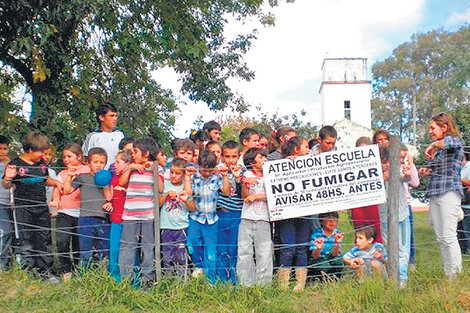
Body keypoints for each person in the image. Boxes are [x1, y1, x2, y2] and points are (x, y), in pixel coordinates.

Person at [2, 132, 62, 280]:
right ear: (30, 150)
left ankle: (45, 272)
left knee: (44, 239)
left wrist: (56, 182)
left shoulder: (41, 165)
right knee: (26, 240)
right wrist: (8, 177)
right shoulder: (15, 164)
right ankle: (29, 273)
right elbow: (6, 184)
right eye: (41, 151)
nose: (43, 155)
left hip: (41, 207)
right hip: (24, 209)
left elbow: (44, 179)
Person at [419, 113, 464, 279]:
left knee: (449, 236)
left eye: (433, 128)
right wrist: (426, 171)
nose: (430, 131)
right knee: (440, 238)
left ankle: (456, 276)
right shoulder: (438, 150)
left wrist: (433, 145)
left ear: (444, 127)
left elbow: (452, 143)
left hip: (449, 192)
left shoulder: (455, 141)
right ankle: (448, 275)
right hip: (435, 193)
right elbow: (437, 170)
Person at [184, 149, 230, 284]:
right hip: (196, 217)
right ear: (199, 166)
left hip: (211, 219)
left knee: (211, 252)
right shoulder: (194, 176)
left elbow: (226, 192)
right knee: (192, 243)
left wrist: (225, 176)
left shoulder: (217, 177)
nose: (207, 173)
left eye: (209, 170)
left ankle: (210, 281)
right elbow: (188, 193)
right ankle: (199, 266)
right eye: (204, 170)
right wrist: (187, 178)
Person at [63, 147, 112, 268]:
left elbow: (109, 197)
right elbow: (67, 191)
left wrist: (105, 184)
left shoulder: (106, 177)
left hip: (102, 219)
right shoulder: (82, 177)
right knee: (85, 249)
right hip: (85, 218)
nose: (99, 165)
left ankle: (101, 274)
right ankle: (85, 274)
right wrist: (69, 176)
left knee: (103, 249)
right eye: (95, 162)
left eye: (102, 162)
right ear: (89, 163)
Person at [118, 138, 158, 286]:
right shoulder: (131, 167)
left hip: (148, 215)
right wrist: (130, 168)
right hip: (130, 215)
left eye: (135, 152)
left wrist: (154, 169)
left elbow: (159, 189)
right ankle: (125, 280)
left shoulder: (154, 168)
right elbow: (121, 182)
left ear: (146, 153)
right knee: (127, 247)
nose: (133, 155)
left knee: (148, 248)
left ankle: (148, 279)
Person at [50, 143, 90, 281]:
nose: (66, 160)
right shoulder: (62, 173)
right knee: (62, 242)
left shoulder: (87, 170)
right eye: (64, 157)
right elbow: (57, 190)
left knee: (79, 243)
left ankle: (80, 271)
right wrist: (55, 200)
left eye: (69, 156)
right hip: (65, 212)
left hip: (82, 212)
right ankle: (65, 271)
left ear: (79, 156)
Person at [277, 136, 311, 292]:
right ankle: (283, 284)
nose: (308, 150)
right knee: (288, 247)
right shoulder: (281, 164)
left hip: (306, 212)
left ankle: (300, 284)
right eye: (306, 147)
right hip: (287, 214)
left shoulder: (314, 163)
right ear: (297, 149)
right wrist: (286, 164)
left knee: (302, 247)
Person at [237, 147, 273, 286]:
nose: (264, 160)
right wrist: (246, 185)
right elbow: (244, 196)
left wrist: (256, 196)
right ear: (252, 162)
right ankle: (246, 285)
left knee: (264, 252)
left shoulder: (270, 175)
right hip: (246, 217)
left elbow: (273, 195)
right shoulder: (246, 174)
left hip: (264, 218)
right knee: (244, 251)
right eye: (261, 157)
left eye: (265, 157)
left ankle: (263, 286)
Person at [379, 147, 411, 286]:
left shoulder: (397, 170)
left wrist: (407, 173)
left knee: (403, 248)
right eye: (383, 162)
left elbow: (407, 178)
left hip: (402, 214)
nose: (386, 165)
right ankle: (392, 276)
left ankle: (402, 279)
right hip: (384, 218)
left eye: (388, 162)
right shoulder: (372, 175)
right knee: (389, 247)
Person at [216, 140, 244, 283]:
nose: (231, 160)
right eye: (227, 156)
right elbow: (223, 192)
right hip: (221, 214)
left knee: (235, 248)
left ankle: (235, 280)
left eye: (234, 156)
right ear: (222, 156)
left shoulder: (243, 171)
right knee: (221, 248)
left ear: (239, 156)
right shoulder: (218, 171)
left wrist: (238, 177)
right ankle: (222, 280)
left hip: (238, 214)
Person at [159, 158, 191, 276]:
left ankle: (182, 280)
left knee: (180, 255)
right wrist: (166, 194)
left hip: (181, 226)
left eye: (177, 173)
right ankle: (168, 279)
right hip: (166, 226)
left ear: (183, 174)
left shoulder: (186, 187)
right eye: (172, 172)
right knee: (167, 255)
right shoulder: (165, 185)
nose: (174, 176)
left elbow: (192, 205)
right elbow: (158, 203)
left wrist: (185, 199)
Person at [350, 136, 383, 243]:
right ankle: (359, 255)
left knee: (375, 229)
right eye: (360, 150)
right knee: (359, 230)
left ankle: (377, 255)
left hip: (372, 200)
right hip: (357, 201)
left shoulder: (377, 162)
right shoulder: (349, 163)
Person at [108, 149, 132, 281]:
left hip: (129, 221)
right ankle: (115, 279)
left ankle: (133, 278)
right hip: (116, 221)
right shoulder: (113, 179)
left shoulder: (133, 179)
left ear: (128, 164)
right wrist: (109, 202)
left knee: (130, 250)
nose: (115, 164)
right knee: (115, 250)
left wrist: (126, 190)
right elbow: (109, 197)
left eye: (118, 162)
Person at [310, 125, 337, 230]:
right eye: (328, 143)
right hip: (314, 198)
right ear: (319, 140)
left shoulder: (338, 156)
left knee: (331, 226)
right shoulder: (308, 155)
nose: (330, 146)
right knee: (315, 227)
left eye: (333, 143)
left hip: (331, 197)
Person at [82, 102, 124, 169]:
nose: (115, 119)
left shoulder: (120, 135)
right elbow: (85, 159)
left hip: (117, 176)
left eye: (116, 116)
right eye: (111, 116)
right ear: (101, 117)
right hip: (99, 176)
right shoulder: (93, 136)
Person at [399, 143, 420, 268]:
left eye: (403, 158)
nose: (401, 161)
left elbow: (415, 183)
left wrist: (411, 165)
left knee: (408, 235)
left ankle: (411, 262)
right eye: (399, 158)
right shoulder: (391, 167)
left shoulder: (407, 167)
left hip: (406, 204)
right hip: (394, 204)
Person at [310, 212, 344, 281]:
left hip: (331, 257)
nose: (332, 221)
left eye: (334, 219)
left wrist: (336, 243)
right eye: (329, 218)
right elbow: (315, 256)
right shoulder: (316, 234)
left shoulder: (338, 233)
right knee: (325, 265)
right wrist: (318, 249)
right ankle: (321, 280)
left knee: (339, 260)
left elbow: (335, 254)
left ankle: (336, 279)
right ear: (321, 221)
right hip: (319, 259)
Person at [0, 135, 11, 270]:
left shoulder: (10, 164)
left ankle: (9, 262)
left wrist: (9, 166)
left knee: (13, 233)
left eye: (5, 149)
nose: (3, 152)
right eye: (0, 149)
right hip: (0, 203)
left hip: (11, 202)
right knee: (5, 231)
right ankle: (2, 264)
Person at [459, 152, 470, 255]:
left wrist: (459, 180)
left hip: (468, 203)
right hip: (459, 202)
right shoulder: (458, 168)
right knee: (460, 228)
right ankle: (463, 249)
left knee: (467, 228)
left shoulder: (469, 166)